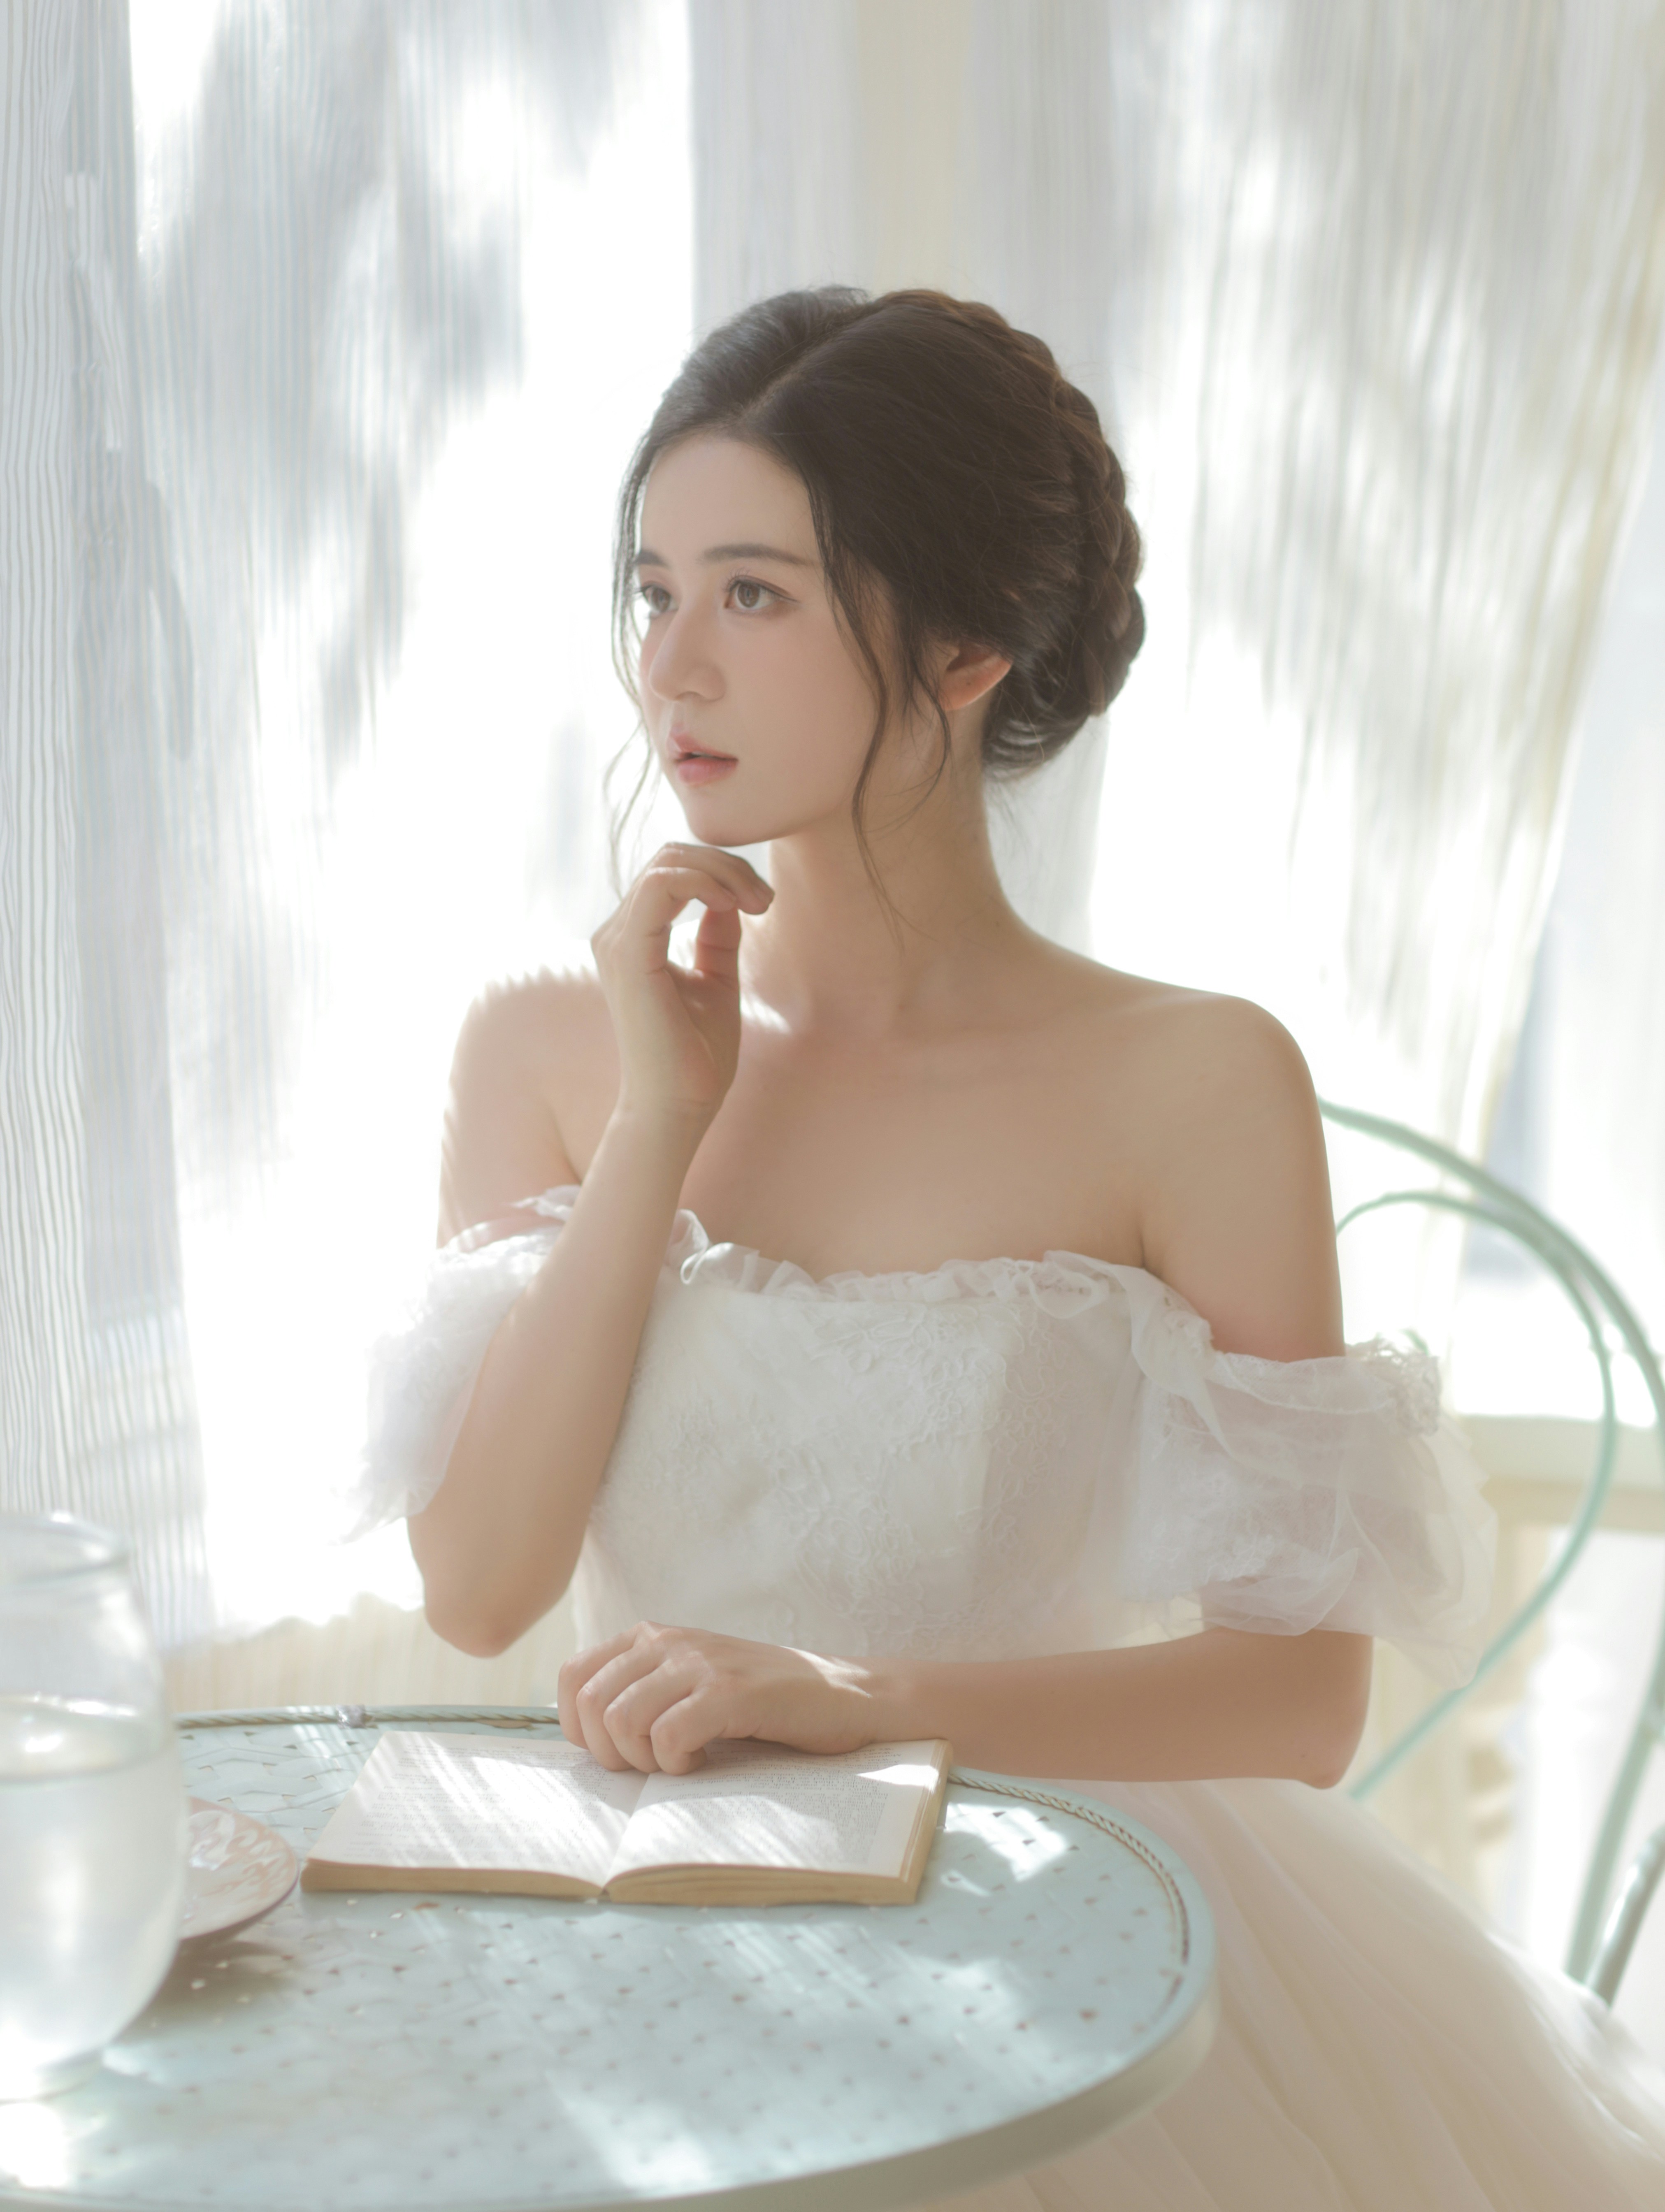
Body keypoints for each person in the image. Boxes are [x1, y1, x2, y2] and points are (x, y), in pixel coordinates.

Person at [358, 288, 1665, 2208]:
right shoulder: (554, 1047)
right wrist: (661, 1116)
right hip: (646, 1932)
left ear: (964, 646)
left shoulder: (1196, 1079)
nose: (673, 672)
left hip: (1048, 1935)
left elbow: (1294, 1700)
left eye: (756, 595)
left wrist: (872, 1698)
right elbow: (480, 1586)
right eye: (653, 590)